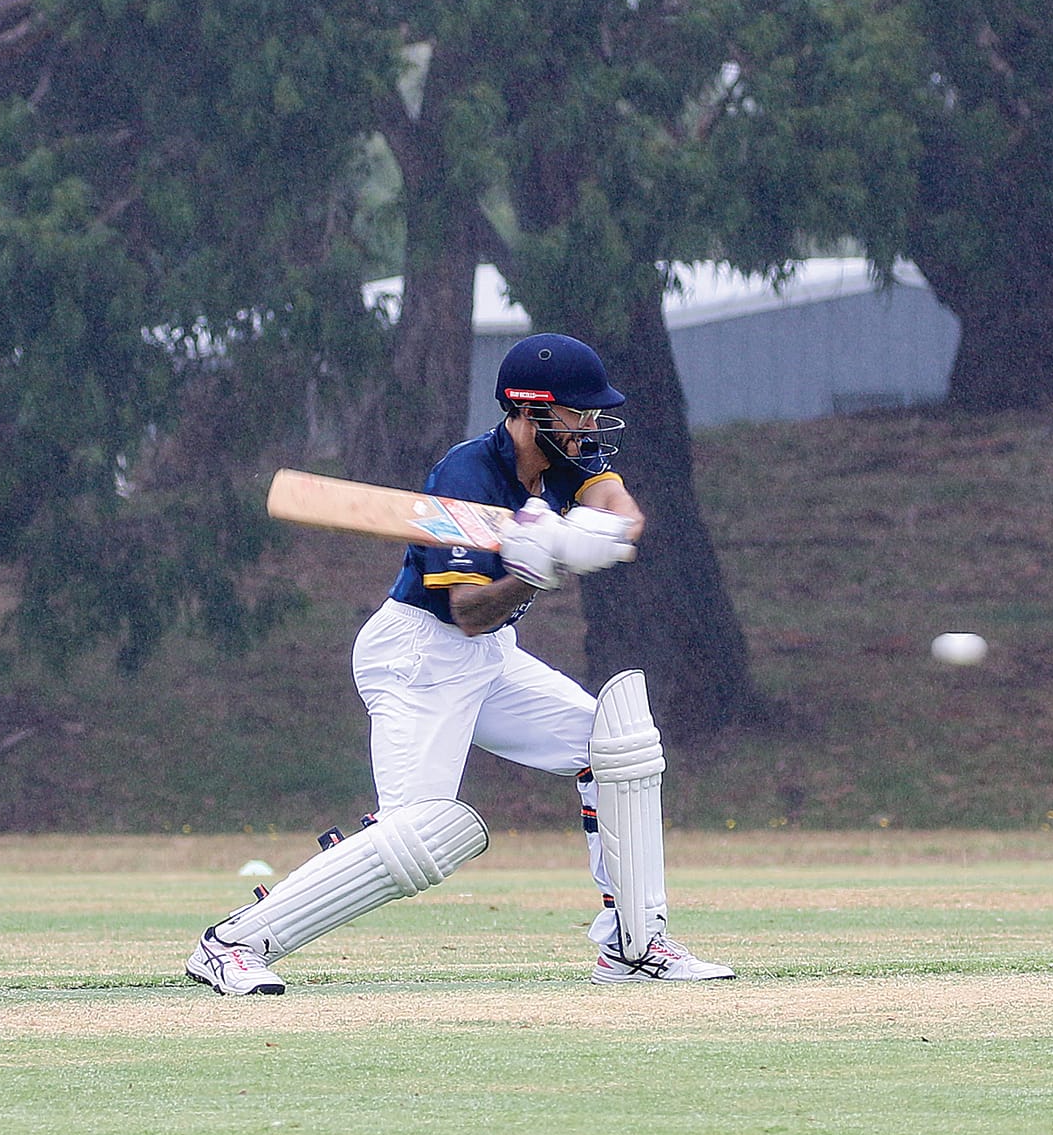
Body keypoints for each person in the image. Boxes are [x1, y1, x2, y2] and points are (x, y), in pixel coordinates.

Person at [186, 332, 735, 996]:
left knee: (615, 744)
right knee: (418, 836)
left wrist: (598, 533)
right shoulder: (464, 477)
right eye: (578, 410)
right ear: (531, 409)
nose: (591, 423)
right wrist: (538, 570)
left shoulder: (570, 462)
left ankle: (634, 944)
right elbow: (468, 611)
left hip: (490, 657)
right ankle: (234, 942)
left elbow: (625, 514)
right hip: (419, 655)